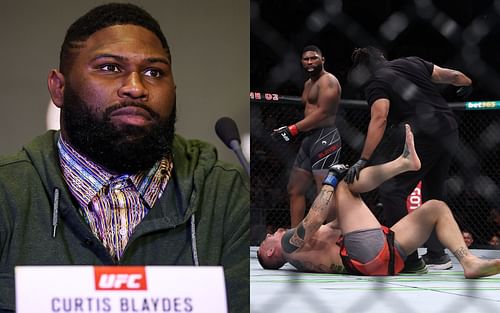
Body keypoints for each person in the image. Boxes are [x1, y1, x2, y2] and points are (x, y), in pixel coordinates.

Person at [0, 4, 249, 313]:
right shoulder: (6, 192)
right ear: (59, 88)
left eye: (153, 72)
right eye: (109, 68)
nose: (135, 87)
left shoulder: (225, 194)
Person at [258, 125, 500, 278]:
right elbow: (314, 219)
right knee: (344, 186)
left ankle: (468, 261)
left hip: (383, 258)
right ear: (270, 251)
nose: (275, 232)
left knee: (436, 208)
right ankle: (403, 163)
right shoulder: (290, 247)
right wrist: (331, 180)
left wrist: (339, 199)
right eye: (268, 238)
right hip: (366, 255)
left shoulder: (307, 252)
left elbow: (332, 224)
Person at [346, 46, 473, 272]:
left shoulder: (376, 81)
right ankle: (437, 255)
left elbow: (379, 118)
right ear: (382, 58)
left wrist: (363, 159)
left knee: (391, 190)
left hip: (423, 133)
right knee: (434, 192)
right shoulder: (411, 62)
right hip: (449, 128)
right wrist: (467, 84)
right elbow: (452, 76)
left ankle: (410, 259)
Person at [271, 45, 342, 228]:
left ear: (322, 59)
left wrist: (292, 129)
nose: (310, 62)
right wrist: (292, 129)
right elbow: (309, 113)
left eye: (314, 58)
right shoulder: (308, 84)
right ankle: (295, 236)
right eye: (306, 59)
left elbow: (324, 113)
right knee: (295, 189)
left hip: (326, 137)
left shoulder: (329, 81)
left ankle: (332, 237)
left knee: (324, 193)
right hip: (309, 138)